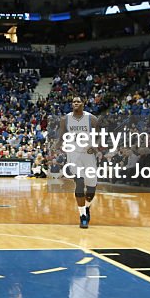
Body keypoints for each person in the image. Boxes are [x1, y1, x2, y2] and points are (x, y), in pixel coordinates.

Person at [56, 96, 99, 229]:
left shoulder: (92, 118)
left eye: (78, 101)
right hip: (73, 153)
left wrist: (95, 146)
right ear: (72, 104)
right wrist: (58, 145)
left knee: (91, 187)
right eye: (74, 102)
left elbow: (99, 135)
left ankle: (87, 208)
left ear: (83, 104)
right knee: (79, 182)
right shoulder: (65, 119)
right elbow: (62, 135)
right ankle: (82, 216)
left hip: (88, 153)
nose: (76, 103)